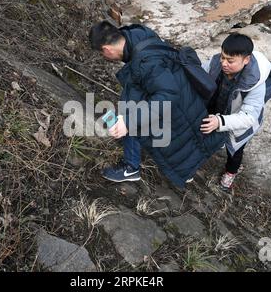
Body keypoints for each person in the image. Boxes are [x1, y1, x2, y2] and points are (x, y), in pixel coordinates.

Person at [89, 21, 224, 189]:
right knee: (186, 139)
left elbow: (167, 96)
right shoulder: (139, 34)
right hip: (183, 93)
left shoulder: (145, 63)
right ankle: (184, 169)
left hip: (176, 102)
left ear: (107, 50)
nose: (105, 58)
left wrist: (128, 122)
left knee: (143, 123)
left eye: (103, 54)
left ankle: (131, 168)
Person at [201, 33, 271, 192]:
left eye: (230, 61)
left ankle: (231, 172)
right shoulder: (216, 62)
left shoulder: (256, 82)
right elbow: (200, 74)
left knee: (234, 150)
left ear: (246, 60)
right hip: (217, 108)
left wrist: (220, 122)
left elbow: (249, 117)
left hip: (238, 122)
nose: (224, 63)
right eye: (223, 57)